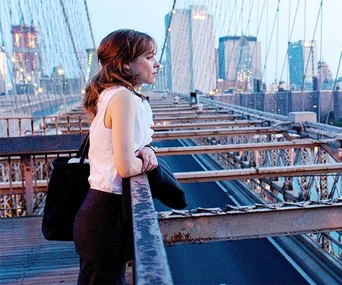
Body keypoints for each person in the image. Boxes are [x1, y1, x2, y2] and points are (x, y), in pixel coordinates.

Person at [73, 29, 160, 285]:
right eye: (149, 56)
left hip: (102, 214)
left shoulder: (113, 94)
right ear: (125, 64)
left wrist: (143, 150)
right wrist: (148, 158)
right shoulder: (123, 97)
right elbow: (124, 167)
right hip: (105, 219)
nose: (157, 63)